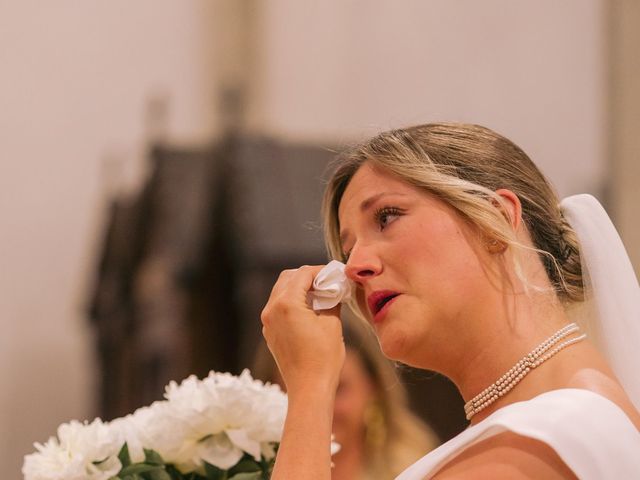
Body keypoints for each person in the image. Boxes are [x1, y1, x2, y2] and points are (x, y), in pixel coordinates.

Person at [260, 123, 640, 479]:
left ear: (497, 220)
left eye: (387, 217)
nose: (354, 267)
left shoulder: (548, 434)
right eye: (348, 249)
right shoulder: (541, 422)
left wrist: (309, 384)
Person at [252, 312, 438, 479]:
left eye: (338, 389)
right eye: (293, 393)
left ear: (374, 388)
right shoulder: (244, 469)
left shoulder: (422, 471)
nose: (316, 407)